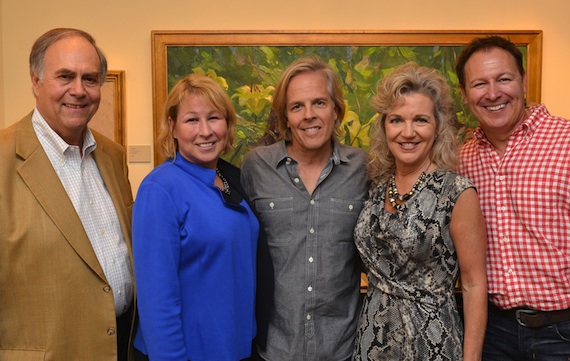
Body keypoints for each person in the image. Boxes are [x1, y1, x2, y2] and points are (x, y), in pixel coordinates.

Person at [0, 28, 134, 360]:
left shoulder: (112, 155)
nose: (78, 90)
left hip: (122, 348)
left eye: (90, 79)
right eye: (65, 76)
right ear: (36, 81)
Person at [352, 62, 488, 360]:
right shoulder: (375, 187)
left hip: (431, 343)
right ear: (384, 126)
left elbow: (475, 283)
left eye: (421, 120)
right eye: (397, 120)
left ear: (437, 127)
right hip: (371, 341)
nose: (408, 132)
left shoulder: (456, 191)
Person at [241, 56, 369, 361]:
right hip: (273, 349)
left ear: (336, 109)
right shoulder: (256, 166)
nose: (309, 115)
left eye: (319, 103)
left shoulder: (363, 168)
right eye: (297, 106)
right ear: (285, 117)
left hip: (343, 349)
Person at [456, 35, 570, 360]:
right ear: (465, 94)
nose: (493, 93)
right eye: (480, 84)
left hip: (562, 332)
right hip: (492, 332)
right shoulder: (460, 160)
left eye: (504, 79)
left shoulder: (566, 141)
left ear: (523, 80)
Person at [132, 74, 259, 361]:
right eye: (191, 120)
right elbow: (157, 299)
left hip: (235, 346)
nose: (205, 131)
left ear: (227, 125)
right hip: (188, 353)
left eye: (214, 118)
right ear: (172, 126)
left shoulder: (231, 178)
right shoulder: (160, 189)